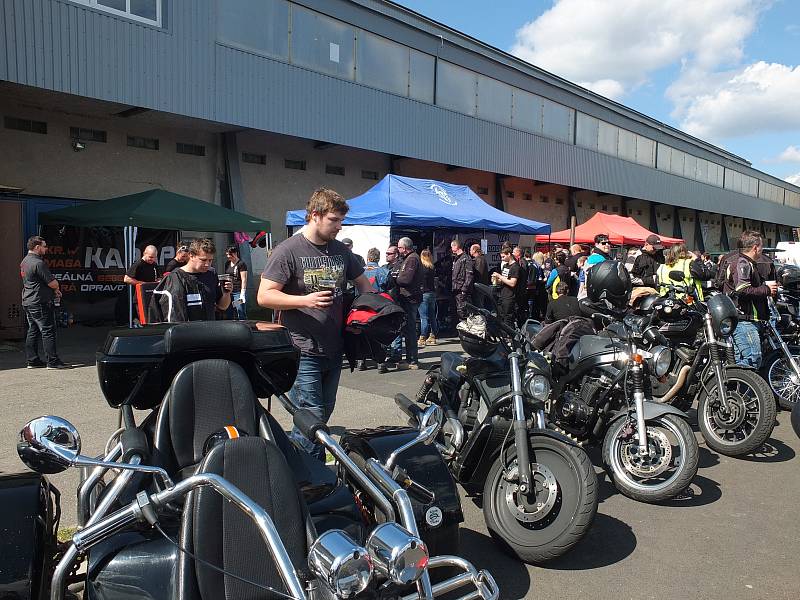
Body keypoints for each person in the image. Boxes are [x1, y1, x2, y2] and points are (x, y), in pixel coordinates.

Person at [258, 188, 371, 461]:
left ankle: (294, 461)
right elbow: (264, 296)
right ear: (315, 216)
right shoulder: (288, 250)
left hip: (334, 348)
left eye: (341, 220)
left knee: (322, 414)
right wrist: (304, 300)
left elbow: (365, 286)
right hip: (302, 348)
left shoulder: (341, 251)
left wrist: (361, 315)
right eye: (334, 220)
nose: (339, 226)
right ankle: (311, 476)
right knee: (314, 416)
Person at [723, 230, 777, 368]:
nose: (762, 249)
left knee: (741, 360)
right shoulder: (743, 263)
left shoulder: (746, 262)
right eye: (761, 246)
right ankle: (742, 386)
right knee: (752, 358)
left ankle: (736, 388)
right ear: (755, 247)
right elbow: (742, 289)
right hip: (744, 320)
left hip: (743, 319)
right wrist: (767, 289)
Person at [150, 238, 233, 322]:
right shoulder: (176, 278)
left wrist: (227, 293)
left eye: (210, 260)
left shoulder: (211, 274)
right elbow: (174, 317)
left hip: (209, 331)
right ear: (191, 256)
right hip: (187, 332)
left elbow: (222, 306)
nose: (207, 264)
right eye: (203, 260)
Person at [20, 235, 67, 369]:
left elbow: (36, 281)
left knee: (33, 330)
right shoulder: (38, 263)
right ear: (37, 247)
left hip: (29, 301)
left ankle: (32, 360)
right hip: (39, 302)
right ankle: (52, 362)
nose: (46, 249)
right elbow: (52, 282)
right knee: (48, 330)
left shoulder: (25, 261)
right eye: (44, 246)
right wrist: (56, 287)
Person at [394, 237, 423, 369]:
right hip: (408, 297)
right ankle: (410, 359)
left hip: (410, 298)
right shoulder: (409, 258)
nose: (398, 250)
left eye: (399, 247)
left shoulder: (412, 259)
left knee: (410, 329)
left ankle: (412, 360)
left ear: (404, 248)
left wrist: (396, 277)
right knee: (407, 329)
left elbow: (405, 279)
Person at [493, 247, 520, 326]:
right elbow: (503, 280)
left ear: (509, 254)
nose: (502, 259)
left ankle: (509, 336)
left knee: (508, 318)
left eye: (503, 257)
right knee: (500, 315)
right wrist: (496, 279)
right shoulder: (505, 266)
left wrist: (500, 276)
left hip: (510, 296)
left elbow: (512, 283)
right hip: (502, 294)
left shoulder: (515, 267)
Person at [418, 249, 438, 347]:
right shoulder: (432, 267)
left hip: (424, 293)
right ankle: (433, 336)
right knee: (432, 316)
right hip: (432, 293)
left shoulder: (421, 267)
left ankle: (422, 338)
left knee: (423, 317)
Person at [450, 239, 474, 320]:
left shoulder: (466, 258)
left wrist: (464, 289)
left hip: (462, 290)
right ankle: (458, 331)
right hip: (456, 289)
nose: (451, 249)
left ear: (456, 246)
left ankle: (465, 331)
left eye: (451, 246)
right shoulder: (456, 258)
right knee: (457, 311)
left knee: (462, 312)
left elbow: (469, 275)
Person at [224, 245, 248, 320]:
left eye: (230, 254)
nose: (228, 256)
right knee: (229, 311)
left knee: (240, 310)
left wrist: (242, 293)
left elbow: (244, 279)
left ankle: (244, 325)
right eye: (227, 254)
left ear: (235, 253)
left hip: (238, 292)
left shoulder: (241, 264)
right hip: (229, 291)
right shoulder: (227, 263)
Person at [513, 246, 529, 324]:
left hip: (521, 289)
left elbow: (522, 276)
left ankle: (521, 323)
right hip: (521, 288)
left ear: (518, 253)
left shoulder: (522, 262)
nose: (512, 253)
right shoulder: (520, 261)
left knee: (520, 307)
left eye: (514, 252)